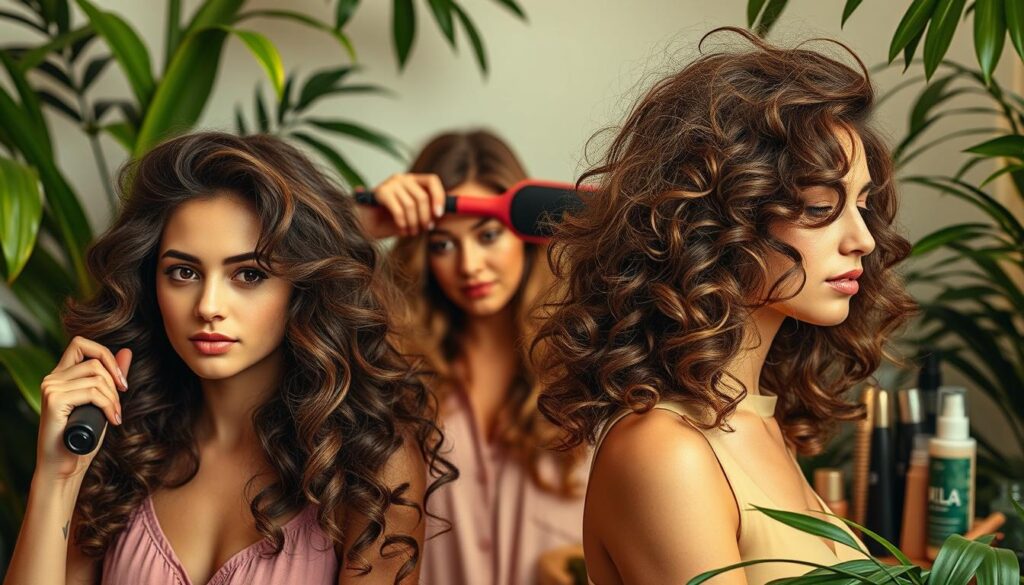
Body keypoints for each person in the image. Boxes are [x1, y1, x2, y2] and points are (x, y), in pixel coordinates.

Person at [532, 28, 917, 584]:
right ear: (716, 222)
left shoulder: (757, 421)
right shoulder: (665, 454)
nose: (863, 239)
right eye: (819, 207)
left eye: (861, 204)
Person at [3, 132, 455, 585]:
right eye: (183, 272)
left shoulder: (370, 463)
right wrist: (57, 479)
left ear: (301, 285)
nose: (208, 305)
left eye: (249, 274)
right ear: (150, 282)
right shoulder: (118, 442)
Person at [357, 130, 587, 585]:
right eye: (443, 244)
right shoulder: (391, 370)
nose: (469, 265)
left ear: (524, 236)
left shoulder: (583, 362)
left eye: (487, 235)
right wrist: (358, 222)